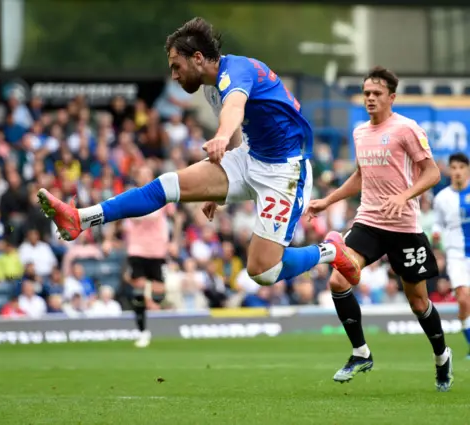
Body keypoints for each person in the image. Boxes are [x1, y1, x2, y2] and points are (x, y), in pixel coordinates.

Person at [37, 17, 360, 296]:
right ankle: (81, 218)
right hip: (250, 157)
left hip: (285, 172)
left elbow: (234, 107)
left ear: (198, 58)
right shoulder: (211, 85)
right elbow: (238, 128)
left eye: (176, 67)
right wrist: (221, 186)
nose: (174, 76)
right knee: (164, 186)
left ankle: (330, 250)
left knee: (263, 272)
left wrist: (219, 137)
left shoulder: (237, 72)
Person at [307, 66, 453, 392]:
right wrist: (326, 201)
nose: (370, 98)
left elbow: (431, 173)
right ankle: (361, 352)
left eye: (377, 94)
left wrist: (404, 196)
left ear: (391, 97)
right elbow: (360, 177)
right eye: (367, 93)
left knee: (418, 303)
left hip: (404, 227)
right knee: (338, 279)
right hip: (369, 221)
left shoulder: (406, 129)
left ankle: (442, 356)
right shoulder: (360, 133)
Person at [123, 165, 174, 348]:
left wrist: (174, 240)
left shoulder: (161, 193)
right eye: (141, 174)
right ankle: (142, 331)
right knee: (138, 291)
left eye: (147, 173)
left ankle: (154, 307)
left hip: (157, 250)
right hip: (137, 248)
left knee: (158, 295)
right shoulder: (133, 195)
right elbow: (131, 217)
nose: (144, 177)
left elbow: (175, 216)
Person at [431, 152, 470, 359]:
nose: (457, 172)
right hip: (455, 255)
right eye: (453, 168)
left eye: (461, 168)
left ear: (468, 170)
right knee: (464, 300)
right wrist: (436, 233)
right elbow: (438, 222)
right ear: (449, 171)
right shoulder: (442, 198)